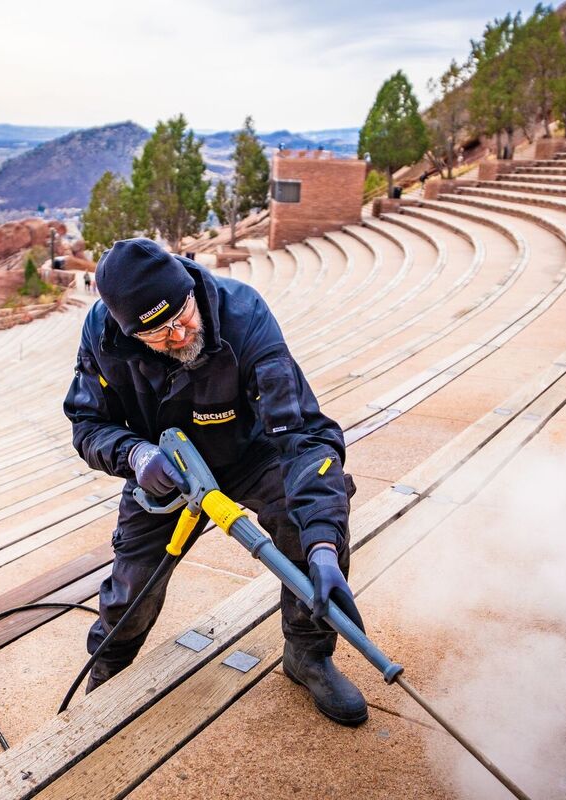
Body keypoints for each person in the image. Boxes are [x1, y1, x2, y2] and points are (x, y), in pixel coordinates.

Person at [64, 238, 367, 726]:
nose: (180, 333)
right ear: (128, 332)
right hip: (166, 468)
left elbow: (304, 435)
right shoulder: (102, 335)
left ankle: (308, 655)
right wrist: (136, 455)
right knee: (134, 579)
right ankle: (109, 667)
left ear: (188, 288)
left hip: (250, 452)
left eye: (182, 315)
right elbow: (86, 423)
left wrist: (324, 546)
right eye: (159, 334)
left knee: (304, 520)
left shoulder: (244, 315)